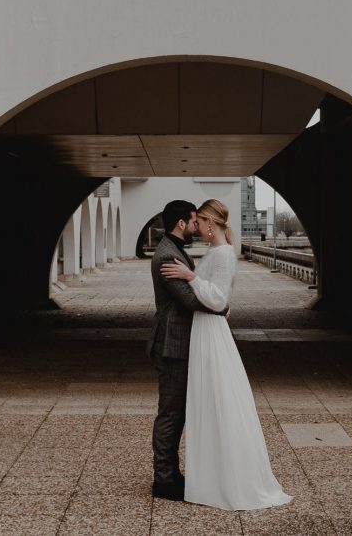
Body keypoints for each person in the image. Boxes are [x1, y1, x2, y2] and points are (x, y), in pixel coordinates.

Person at [160, 198, 292, 511]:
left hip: (209, 330)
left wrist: (191, 277)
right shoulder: (217, 252)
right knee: (210, 402)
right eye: (195, 221)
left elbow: (217, 299)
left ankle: (223, 477)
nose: (197, 226)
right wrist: (199, 282)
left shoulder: (221, 253)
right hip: (205, 330)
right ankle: (213, 475)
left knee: (217, 401)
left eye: (200, 221)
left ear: (210, 222)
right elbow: (218, 297)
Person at [146, 199, 227, 501]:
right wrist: (222, 306)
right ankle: (164, 480)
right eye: (194, 221)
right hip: (172, 343)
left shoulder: (174, 249)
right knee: (170, 412)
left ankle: (171, 473)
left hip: (179, 341)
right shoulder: (167, 256)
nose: (197, 226)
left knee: (177, 412)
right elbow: (189, 301)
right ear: (180, 223)